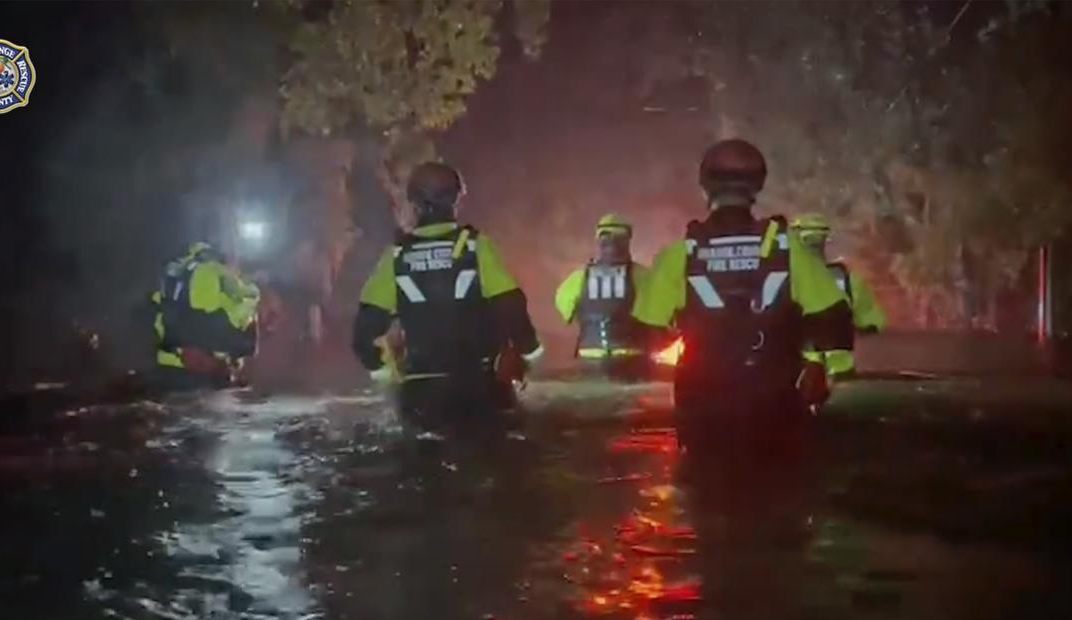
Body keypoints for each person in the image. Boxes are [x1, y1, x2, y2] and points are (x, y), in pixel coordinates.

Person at [631, 139, 853, 452]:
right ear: (757, 186)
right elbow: (834, 319)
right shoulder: (789, 250)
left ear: (705, 187)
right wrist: (817, 367)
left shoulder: (679, 255)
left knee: (701, 491)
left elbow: (647, 330)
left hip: (703, 405)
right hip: (775, 400)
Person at [352, 161, 543, 429]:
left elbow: (363, 334)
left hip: (421, 392)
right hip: (479, 389)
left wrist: (384, 376)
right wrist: (531, 352)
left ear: (413, 203)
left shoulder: (396, 256)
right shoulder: (476, 247)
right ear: (456, 199)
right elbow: (511, 306)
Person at [554, 213, 654, 379]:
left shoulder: (578, 277)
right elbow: (660, 314)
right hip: (632, 363)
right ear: (628, 240)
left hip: (589, 361)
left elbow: (564, 308)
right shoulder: (644, 276)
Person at [151, 241, 260, 391]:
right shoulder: (217, 271)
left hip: (170, 361)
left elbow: (159, 310)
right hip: (207, 364)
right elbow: (245, 301)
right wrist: (255, 290)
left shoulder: (172, 273)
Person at [791, 213, 886, 378]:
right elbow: (870, 321)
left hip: (804, 373)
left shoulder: (785, 280)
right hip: (837, 372)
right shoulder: (844, 277)